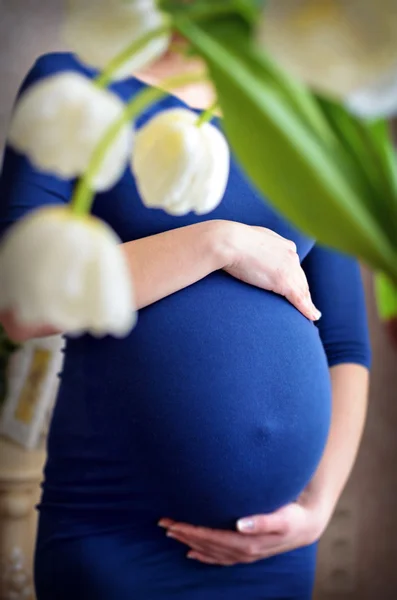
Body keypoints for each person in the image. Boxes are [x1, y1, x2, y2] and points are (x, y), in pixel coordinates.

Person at [0, 46, 371, 600]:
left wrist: (318, 507)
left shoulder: (307, 117)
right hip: (116, 533)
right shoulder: (80, 85)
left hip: (276, 548)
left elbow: (344, 342)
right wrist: (215, 242)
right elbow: (21, 303)